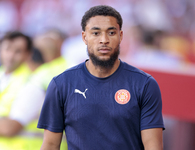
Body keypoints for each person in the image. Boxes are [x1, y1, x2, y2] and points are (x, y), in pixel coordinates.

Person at [38, 5, 165, 150]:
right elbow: (50, 144)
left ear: (121, 36)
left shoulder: (144, 84)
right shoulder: (61, 84)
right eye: (96, 33)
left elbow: (153, 146)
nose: (104, 40)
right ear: (84, 37)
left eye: (111, 32)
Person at [0, 31, 34, 149]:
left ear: (28, 55)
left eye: (18, 51)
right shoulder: (2, 76)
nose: (10, 55)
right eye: (7, 49)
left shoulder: (32, 82)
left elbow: (10, 128)